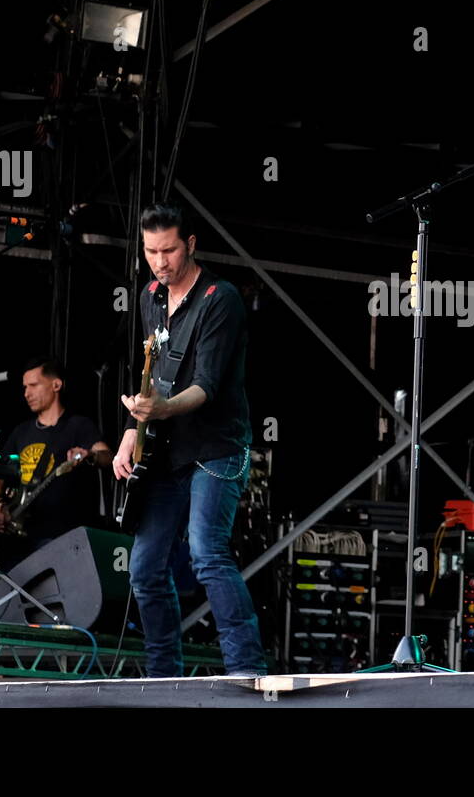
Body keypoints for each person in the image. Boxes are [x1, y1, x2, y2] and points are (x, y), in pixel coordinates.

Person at [114, 202, 265, 677]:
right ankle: (163, 674)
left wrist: (160, 409)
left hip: (216, 448)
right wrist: (128, 433)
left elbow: (206, 385)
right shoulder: (150, 297)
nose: (160, 261)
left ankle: (246, 667)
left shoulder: (221, 298)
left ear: (191, 245)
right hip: (165, 452)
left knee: (206, 552)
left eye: (170, 250)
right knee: (143, 567)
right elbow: (154, 375)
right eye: (151, 251)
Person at [0, 357, 112, 565]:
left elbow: (109, 457)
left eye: (33, 385)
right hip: (20, 537)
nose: (27, 393)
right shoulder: (20, 432)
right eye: (25, 387)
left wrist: (91, 456)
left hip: (63, 537)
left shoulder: (78, 426)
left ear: (56, 384)